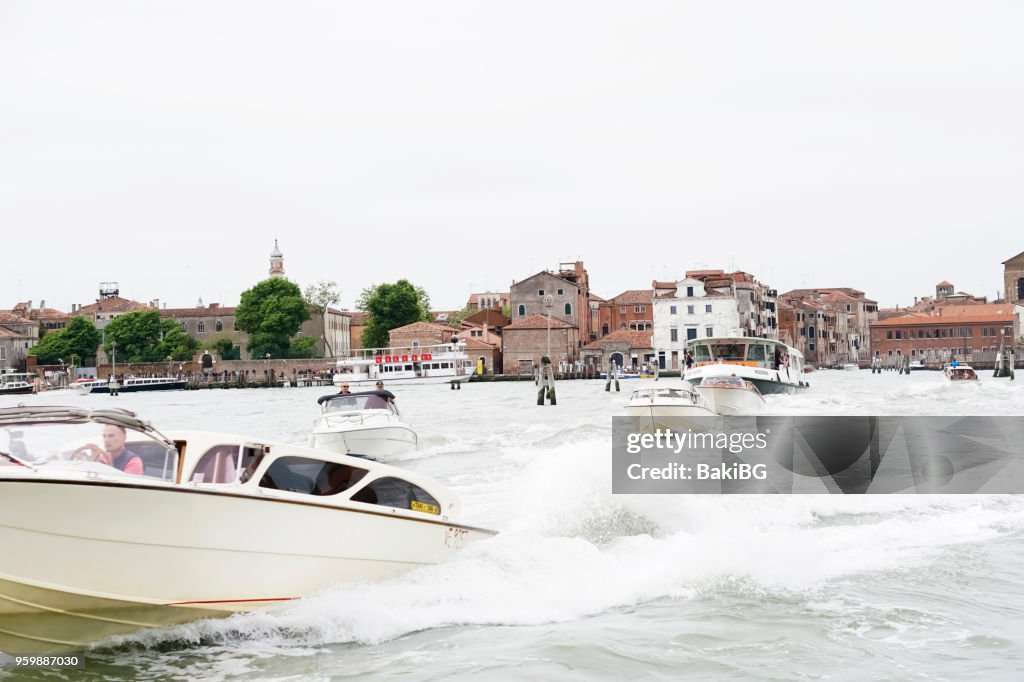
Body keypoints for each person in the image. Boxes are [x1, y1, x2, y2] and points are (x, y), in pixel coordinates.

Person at [75, 424, 144, 475]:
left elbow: (127, 487)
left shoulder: (133, 461)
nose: (106, 440)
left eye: (111, 436)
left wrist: (109, 465)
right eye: (104, 436)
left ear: (123, 438)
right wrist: (91, 461)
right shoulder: (100, 458)